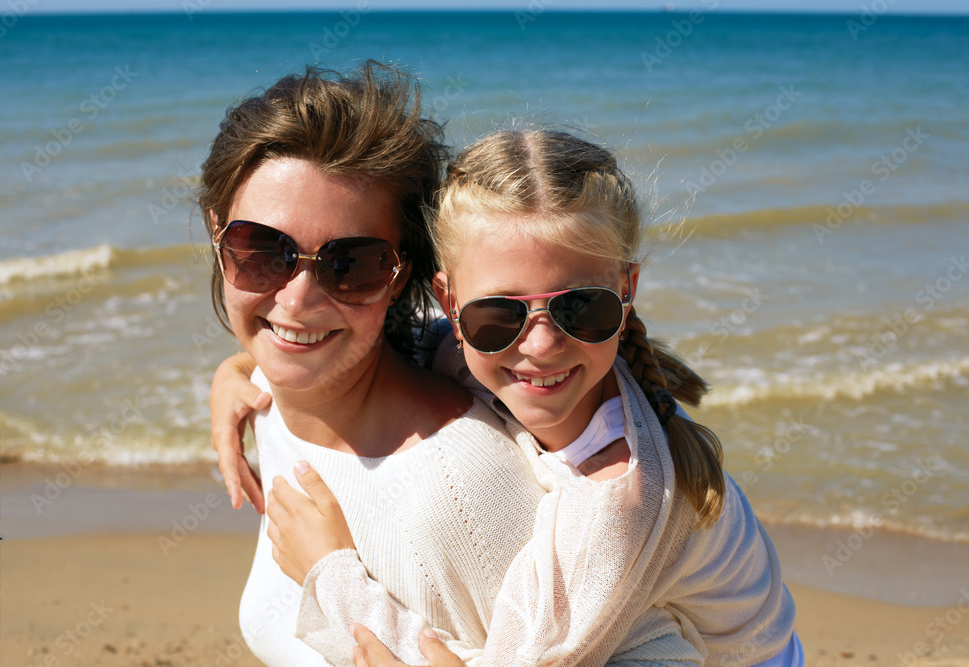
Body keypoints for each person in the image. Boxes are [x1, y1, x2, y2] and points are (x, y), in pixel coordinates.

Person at [210, 121, 802, 665]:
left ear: (628, 290)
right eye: (499, 315)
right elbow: (314, 334)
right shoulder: (456, 349)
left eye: (580, 308)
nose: (540, 345)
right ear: (450, 303)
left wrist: (330, 572)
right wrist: (236, 373)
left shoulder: (618, 501)